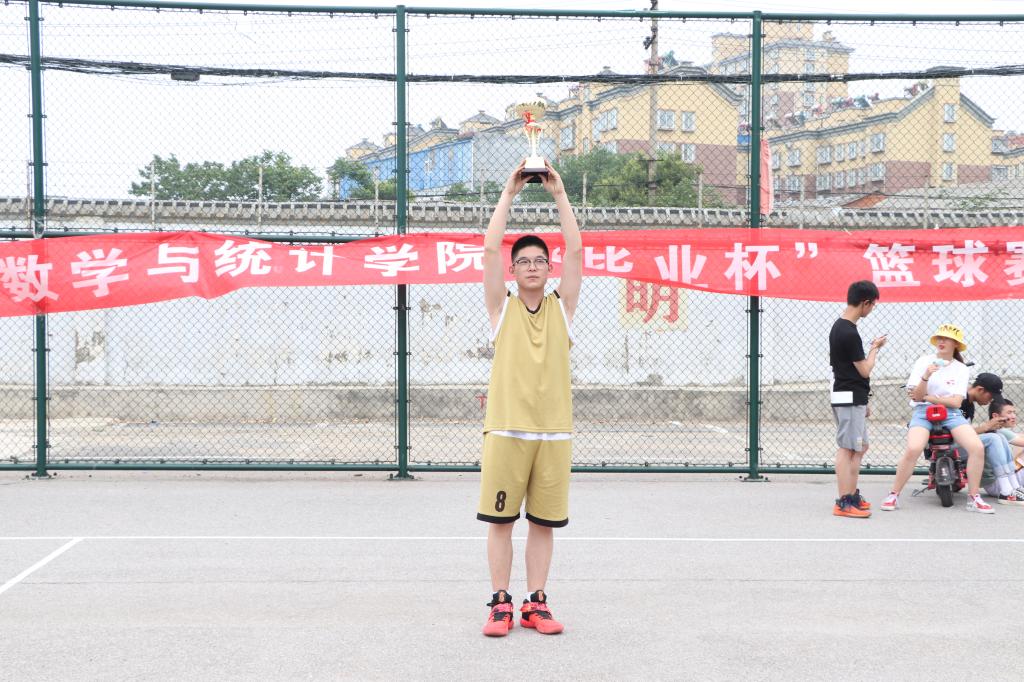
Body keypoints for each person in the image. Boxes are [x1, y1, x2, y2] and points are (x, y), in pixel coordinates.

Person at [478, 160, 583, 637]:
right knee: (500, 521)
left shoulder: (563, 307)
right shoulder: (502, 308)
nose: (533, 266)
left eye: (540, 260)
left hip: (553, 434)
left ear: (549, 268)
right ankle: (500, 602)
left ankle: (535, 602)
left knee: (543, 523)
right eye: (524, 261)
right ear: (514, 270)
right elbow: (489, 249)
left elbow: (576, 250)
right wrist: (509, 193)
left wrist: (559, 194)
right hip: (506, 431)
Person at [880, 324, 994, 514]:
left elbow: (956, 402)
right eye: (939, 338)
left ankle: (974, 497)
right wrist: (926, 376)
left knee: (977, 447)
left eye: (947, 339)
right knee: (914, 448)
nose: (942, 341)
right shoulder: (923, 361)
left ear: (955, 344)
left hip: (951, 413)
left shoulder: (960, 369)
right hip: (923, 411)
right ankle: (893, 494)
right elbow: (916, 397)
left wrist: (928, 397)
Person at [828, 281, 886, 518]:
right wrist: (875, 349)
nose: (871, 310)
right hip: (849, 396)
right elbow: (864, 370)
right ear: (865, 303)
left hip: (851, 395)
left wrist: (864, 400)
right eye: (872, 305)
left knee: (860, 446)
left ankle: (851, 494)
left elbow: (847, 370)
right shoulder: (849, 332)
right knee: (847, 448)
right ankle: (844, 501)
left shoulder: (840, 326)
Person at [985, 398, 1024, 503]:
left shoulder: (993, 430)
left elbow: (1020, 436)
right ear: (995, 416)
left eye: (1014, 412)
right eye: (1009, 413)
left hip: (993, 485)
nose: (1014, 416)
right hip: (999, 485)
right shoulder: (1000, 432)